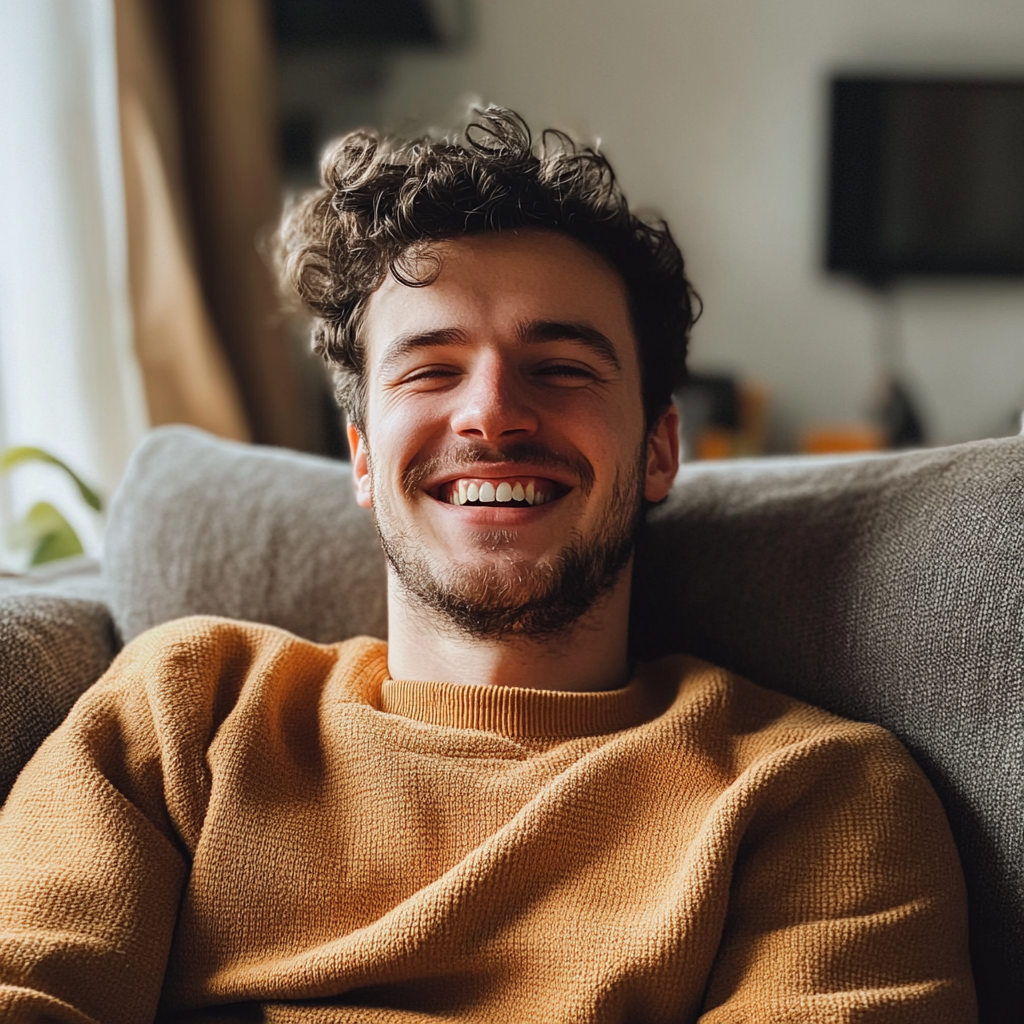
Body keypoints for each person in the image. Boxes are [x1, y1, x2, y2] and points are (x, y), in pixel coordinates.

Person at [0, 107, 975, 1022]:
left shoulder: (814, 792)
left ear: (659, 449)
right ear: (363, 457)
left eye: (560, 367)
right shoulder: (187, 709)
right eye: (430, 368)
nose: (492, 413)